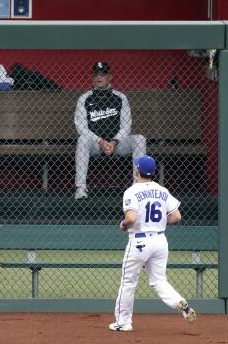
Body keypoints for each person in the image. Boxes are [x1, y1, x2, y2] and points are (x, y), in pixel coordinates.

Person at [109, 155, 196, 332]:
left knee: (128, 282)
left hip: (139, 241)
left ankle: (123, 322)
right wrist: (158, 222)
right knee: (159, 280)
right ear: (153, 172)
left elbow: (131, 218)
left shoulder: (132, 191)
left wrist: (123, 224)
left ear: (137, 171)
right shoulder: (162, 190)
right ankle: (180, 302)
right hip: (160, 240)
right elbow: (177, 216)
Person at [74, 61, 146, 200]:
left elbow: (127, 125)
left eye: (103, 74)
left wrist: (114, 141)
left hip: (117, 144)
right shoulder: (85, 98)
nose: (99, 77)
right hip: (94, 144)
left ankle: (138, 188)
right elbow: (80, 127)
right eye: (96, 74)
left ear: (110, 77)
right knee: (82, 139)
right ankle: (81, 189)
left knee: (140, 139)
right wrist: (99, 140)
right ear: (92, 77)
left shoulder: (120, 97)